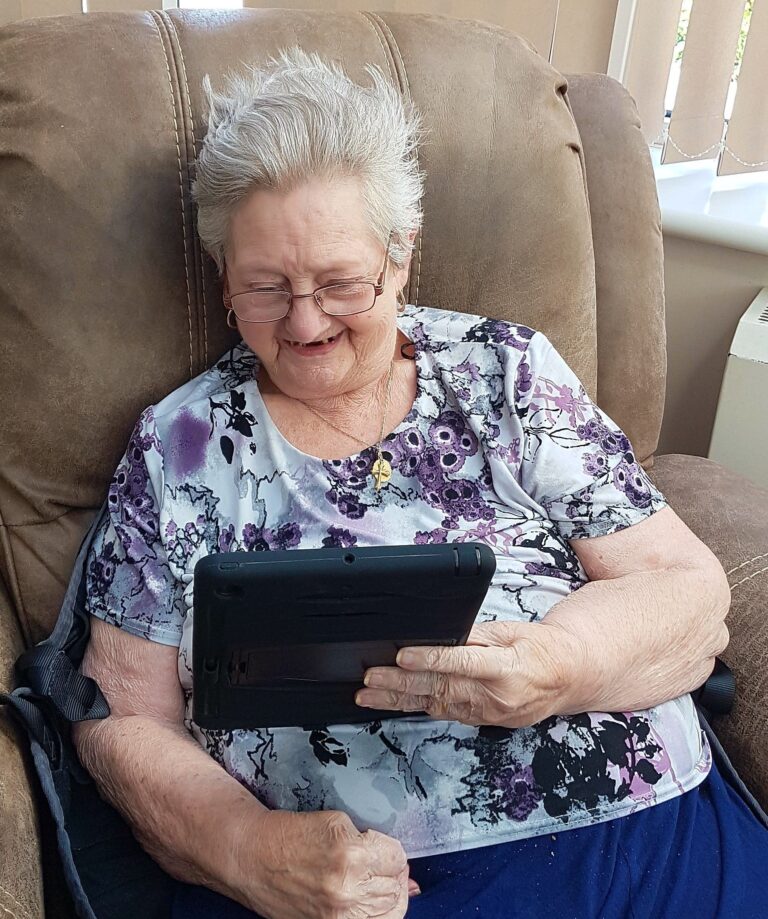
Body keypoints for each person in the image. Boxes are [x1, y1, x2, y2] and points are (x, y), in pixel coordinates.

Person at [73, 49, 767, 919]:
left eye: (338, 282)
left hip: (644, 834)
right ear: (224, 283)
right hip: (366, 888)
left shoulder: (505, 373)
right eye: (265, 288)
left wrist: (562, 665)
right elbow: (118, 717)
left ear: (401, 256)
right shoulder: (178, 447)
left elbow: (689, 593)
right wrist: (244, 848)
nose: (305, 319)